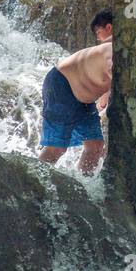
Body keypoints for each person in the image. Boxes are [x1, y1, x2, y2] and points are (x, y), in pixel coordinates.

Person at [37, 39, 113, 174]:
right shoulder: (115, 53)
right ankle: (34, 181)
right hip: (62, 84)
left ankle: (83, 184)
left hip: (85, 100)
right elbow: (111, 67)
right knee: (57, 148)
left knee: (95, 146)